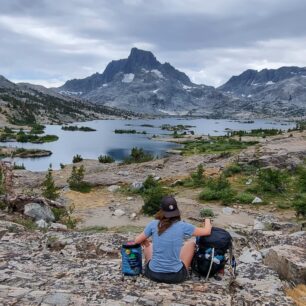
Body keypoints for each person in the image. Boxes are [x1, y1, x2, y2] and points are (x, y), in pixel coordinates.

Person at [134, 195, 212, 283]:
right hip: (176, 276)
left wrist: (145, 240)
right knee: (191, 244)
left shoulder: (153, 224)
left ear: (161, 210)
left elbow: (137, 241)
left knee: (149, 246)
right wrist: (207, 220)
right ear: (176, 210)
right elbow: (206, 231)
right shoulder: (183, 226)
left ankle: (157, 265)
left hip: (153, 274)